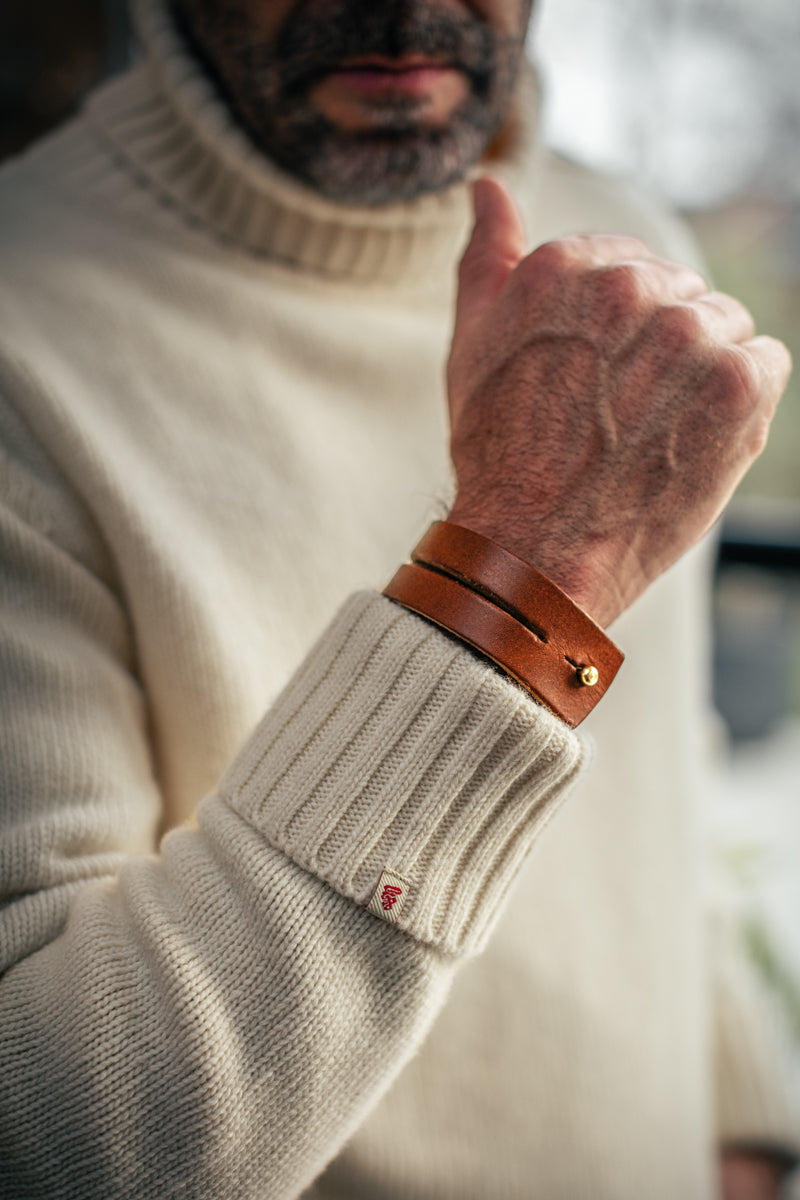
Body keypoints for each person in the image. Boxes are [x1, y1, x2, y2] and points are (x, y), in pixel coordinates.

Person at [0, 0, 797, 1196]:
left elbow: (651, 771)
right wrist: (521, 564)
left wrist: (732, 1112)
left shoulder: (621, 239)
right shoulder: (23, 316)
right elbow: (66, 1145)